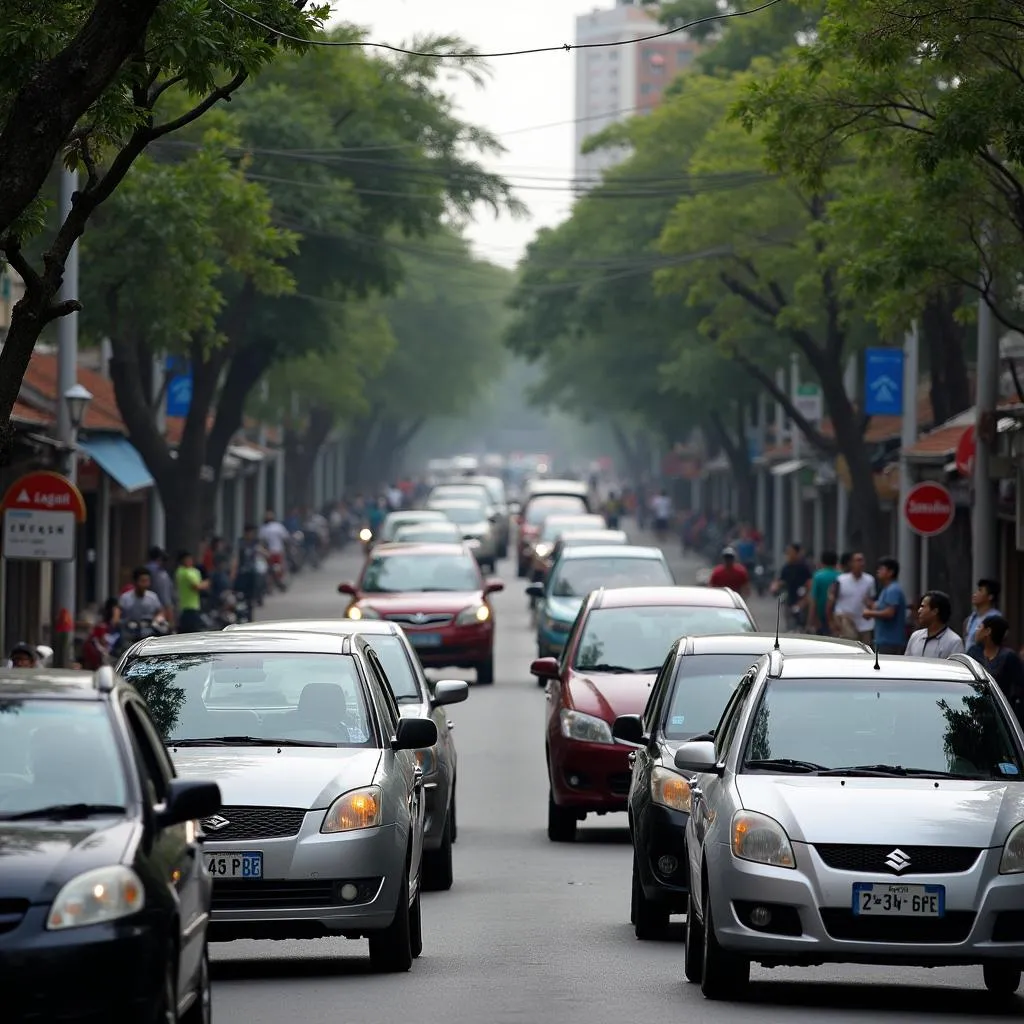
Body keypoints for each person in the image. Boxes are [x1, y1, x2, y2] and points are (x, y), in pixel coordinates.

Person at [967, 614, 1024, 722]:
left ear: (988, 631)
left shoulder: (1009, 657)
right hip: (974, 710)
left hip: (1001, 715)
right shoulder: (973, 652)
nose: (976, 630)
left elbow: (1019, 688)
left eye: (979, 627)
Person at [863, 556, 908, 654]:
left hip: (890, 641)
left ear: (891, 572)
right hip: (883, 640)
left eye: (882, 569)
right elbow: (879, 606)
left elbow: (889, 613)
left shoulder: (893, 590)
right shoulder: (886, 589)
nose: (878, 571)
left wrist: (869, 613)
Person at [829, 551, 875, 643]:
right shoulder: (841, 580)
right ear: (851, 563)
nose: (861, 563)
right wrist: (831, 621)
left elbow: (872, 599)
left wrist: (870, 605)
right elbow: (831, 600)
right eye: (858, 560)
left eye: (862, 560)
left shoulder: (869, 580)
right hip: (846, 619)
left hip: (864, 622)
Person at [905, 590, 965, 658]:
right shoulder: (915, 636)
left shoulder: (954, 642)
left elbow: (956, 668)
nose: (919, 611)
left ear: (935, 611)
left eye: (923, 607)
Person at [771, 542, 812, 631]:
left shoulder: (804, 568)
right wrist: (775, 586)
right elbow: (781, 580)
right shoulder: (786, 567)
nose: (788, 555)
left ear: (797, 553)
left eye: (790, 552)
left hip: (802, 600)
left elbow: (809, 583)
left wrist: (805, 600)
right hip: (789, 599)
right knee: (790, 624)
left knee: (802, 624)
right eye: (787, 553)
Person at [807, 550, 840, 636]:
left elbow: (814, 600)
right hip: (838, 616)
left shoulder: (818, 576)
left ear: (822, 561)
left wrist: (810, 621)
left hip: (821, 615)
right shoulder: (841, 576)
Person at [175, 550, 210, 633]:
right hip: (189, 607)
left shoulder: (187, 571)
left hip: (191, 606)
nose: (190, 561)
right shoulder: (185, 572)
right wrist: (206, 582)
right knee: (191, 631)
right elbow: (197, 586)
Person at [81, 598, 121, 668]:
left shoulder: (119, 629)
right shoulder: (101, 628)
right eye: (117, 610)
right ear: (111, 611)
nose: (120, 613)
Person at [964, 578, 1002, 648]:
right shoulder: (972, 618)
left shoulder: (995, 618)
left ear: (990, 597)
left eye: (980, 591)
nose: (975, 594)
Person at [146, 546, 176, 627]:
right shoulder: (161, 574)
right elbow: (165, 599)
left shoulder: (144, 570)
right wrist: (171, 622)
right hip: (159, 614)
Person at [259, 509, 291, 586]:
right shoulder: (276, 527)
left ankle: (275, 582)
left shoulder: (267, 528)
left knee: (274, 568)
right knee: (275, 567)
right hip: (274, 551)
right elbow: (286, 538)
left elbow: (261, 541)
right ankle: (276, 582)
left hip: (273, 551)